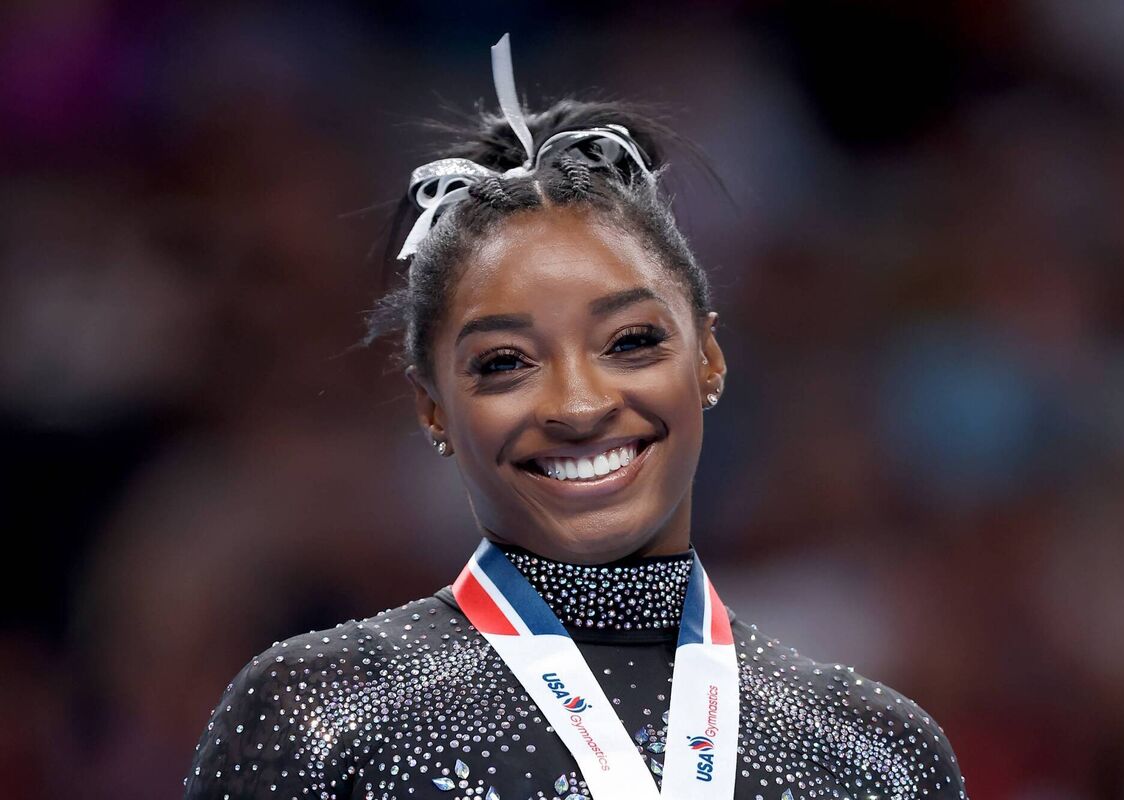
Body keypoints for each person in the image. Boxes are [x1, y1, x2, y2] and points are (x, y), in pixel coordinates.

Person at [183, 35, 967, 800]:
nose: (579, 406)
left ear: (708, 360)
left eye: (630, 342)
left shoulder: (874, 753)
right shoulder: (321, 718)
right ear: (433, 408)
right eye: (505, 362)